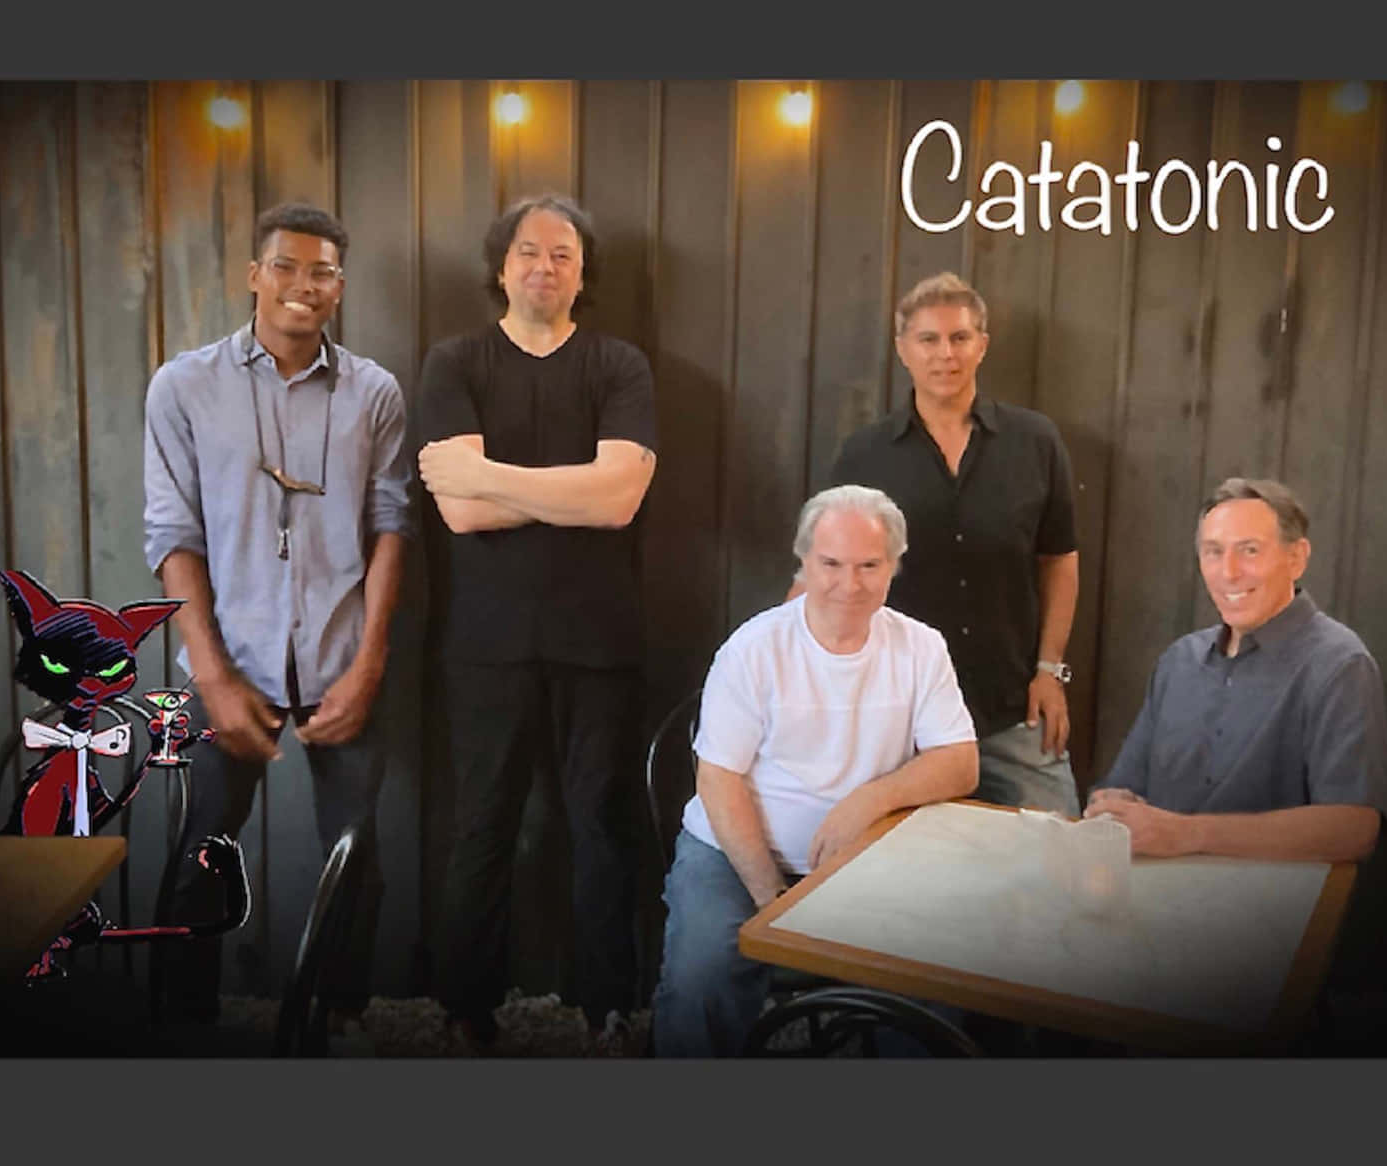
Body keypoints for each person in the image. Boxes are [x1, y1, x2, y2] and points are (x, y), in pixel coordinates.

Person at [143, 201, 411, 1021]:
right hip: (228, 664)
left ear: (339, 286)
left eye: (322, 271)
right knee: (197, 859)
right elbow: (172, 535)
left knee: (353, 861)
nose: (304, 285)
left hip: (340, 662)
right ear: (254, 275)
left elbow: (390, 530)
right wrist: (215, 679)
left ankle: (339, 1022)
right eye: (286, 267)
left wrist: (368, 668)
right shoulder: (184, 385)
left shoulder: (375, 393)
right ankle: (181, 1030)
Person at [413, 193, 657, 1051]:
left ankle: (609, 1005)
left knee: (602, 824)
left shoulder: (619, 364)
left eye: (561, 253)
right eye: (528, 251)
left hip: (601, 641)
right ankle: (465, 1007)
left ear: (583, 272)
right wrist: (572, 492)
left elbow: (622, 500)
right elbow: (461, 518)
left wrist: (491, 477)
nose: (544, 266)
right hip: (486, 643)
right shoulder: (456, 362)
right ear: (500, 265)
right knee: (483, 822)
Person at [651, 485, 979, 1057]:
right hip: (733, 857)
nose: (849, 585)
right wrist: (770, 898)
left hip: (868, 860)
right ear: (802, 560)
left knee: (934, 966)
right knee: (703, 968)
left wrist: (868, 801)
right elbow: (718, 780)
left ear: (894, 567)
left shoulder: (921, 647)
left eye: (869, 566)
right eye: (830, 564)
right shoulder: (753, 648)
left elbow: (960, 762)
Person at [820, 272, 1081, 816]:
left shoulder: (1035, 442)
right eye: (928, 340)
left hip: (1012, 709)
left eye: (960, 338)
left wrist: (1049, 670)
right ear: (903, 351)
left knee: (1062, 869)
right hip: (898, 719)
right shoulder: (864, 455)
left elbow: (1059, 559)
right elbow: (828, 573)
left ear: (982, 346)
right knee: (900, 882)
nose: (946, 354)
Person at [1084, 478, 1387, 862]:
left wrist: (1187, 834)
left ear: (1296, 558)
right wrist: (1113, 805)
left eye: (1249, 550)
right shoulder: (1179, 661)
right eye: (1213, 552)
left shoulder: (1340, 665)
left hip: (1266, 913)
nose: (1228, 572)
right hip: (1154, 902)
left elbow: (1354, 830)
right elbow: (1121, 786)